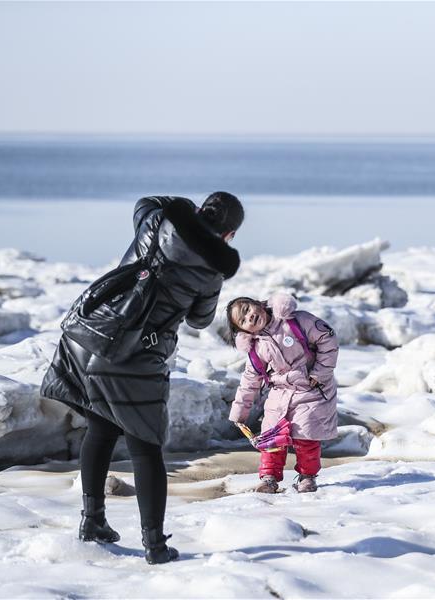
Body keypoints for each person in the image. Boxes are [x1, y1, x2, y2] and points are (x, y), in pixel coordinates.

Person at [41, 192, 243, 564]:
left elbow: (146, 201)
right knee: (146, 446)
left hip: (90, 336)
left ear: (200, 210)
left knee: (100, 430)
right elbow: (199, 319)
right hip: (136, 356)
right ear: (228, 235)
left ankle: (93, 522)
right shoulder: (212, 271)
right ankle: (155, 545)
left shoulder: (156, 222)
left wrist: (182, 210)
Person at [226, 292, 339, 494]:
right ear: (243, 331)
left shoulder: (295, 321)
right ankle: (269, 478)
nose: (249, 317)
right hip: (280, 393)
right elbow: (249, 381)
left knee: (306, 437)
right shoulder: (257, 348)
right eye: (242, 320)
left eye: (247, 310)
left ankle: (307, 477)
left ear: (258, 304)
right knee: (271, 437)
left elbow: (327, 340)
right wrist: (239, 413)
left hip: (311, 389)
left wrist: (320, 373)